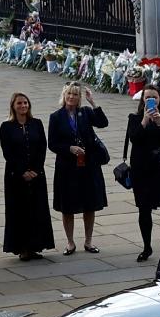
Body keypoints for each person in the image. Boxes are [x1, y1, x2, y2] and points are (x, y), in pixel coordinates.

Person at [49, 81, 109, 255]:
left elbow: (103, 123)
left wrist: (93, 103)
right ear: (64, 95)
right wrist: (69, 148)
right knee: (67, 205)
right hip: (67, 167)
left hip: (88, 165)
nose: (71, 97)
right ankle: (70, 242)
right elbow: (52, 143)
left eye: (75, 94)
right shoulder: (56, 116)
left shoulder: (85, 113)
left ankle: (88, 241)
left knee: (89, 204)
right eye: (69, 94)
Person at [0, 92, 54, 262]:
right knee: (19, 210)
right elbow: (8, 151)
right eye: (19, 103)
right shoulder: (6, 126)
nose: (23, 106)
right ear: (13, 106)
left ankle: (35, 245)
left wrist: (36, 170)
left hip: (36, 174)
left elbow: (42, 148)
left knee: (37, 209)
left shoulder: (36, 124)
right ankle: (22, 247)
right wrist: (22, 171)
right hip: (16, 176)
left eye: (25, 103)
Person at [123, 85, 160, 263]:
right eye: (147, 97)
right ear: (142, 100)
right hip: (142, 169)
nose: (151, 100)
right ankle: (147, 247)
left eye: (154, 97)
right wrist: (145, 121)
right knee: (144, 209)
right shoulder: (135, 118)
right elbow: (134, 138)